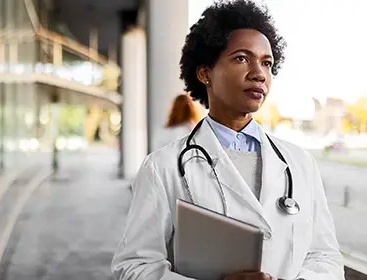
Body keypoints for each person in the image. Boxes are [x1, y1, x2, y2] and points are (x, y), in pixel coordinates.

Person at [112, 1, 345, 279]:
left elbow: (325, 256)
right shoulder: (162, 168)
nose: (259, 73)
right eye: (242, 58)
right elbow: (133, 267)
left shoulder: (300, 164)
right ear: (205, 73)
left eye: (267, 63)